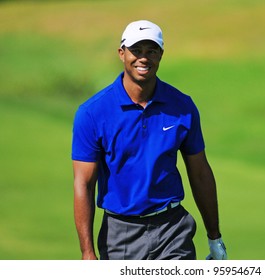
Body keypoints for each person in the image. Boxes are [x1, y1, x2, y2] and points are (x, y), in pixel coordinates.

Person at [72, 20, 227, 260]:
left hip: (173, 229)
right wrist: (87, 252)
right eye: (136, 51)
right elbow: (83, 183)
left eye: (151, 51)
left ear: (161, 55)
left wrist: (214, 238)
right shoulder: (93, 112)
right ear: (122, 54)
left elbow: (200, 173)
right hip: (120, 234)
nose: (143, 58)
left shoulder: (182, 106)